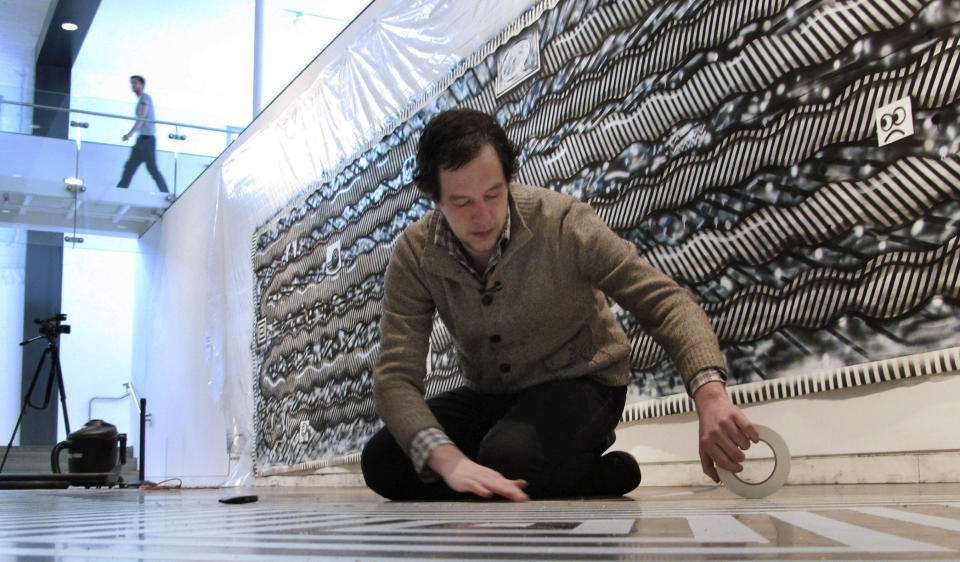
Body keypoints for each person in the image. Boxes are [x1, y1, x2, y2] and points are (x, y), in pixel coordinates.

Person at [360, 108, 759, 501]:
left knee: (506, 456)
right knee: (384, 461)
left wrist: (709, 394)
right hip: (493, 397)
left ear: (508, 178)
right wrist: (448, 461)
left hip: (584, 383)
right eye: (462, 202)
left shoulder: (563, 222)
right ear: (434, 197)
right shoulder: (415, 253)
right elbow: (395, 376)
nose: (483, 216)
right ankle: (580, 477)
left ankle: (544, 470)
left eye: (494, 194)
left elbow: (664, 301)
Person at [117, 75, 169, 193]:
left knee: (152, 169)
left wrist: (129, 134)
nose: (133, 86)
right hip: (141, 140)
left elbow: (142, 117)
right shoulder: (142, 100)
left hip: (147, 141)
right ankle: (120, 191)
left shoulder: (145, 98)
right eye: (132, 83)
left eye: (135, 83)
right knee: (130, 167)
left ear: (142, 85)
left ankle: (165, 192)